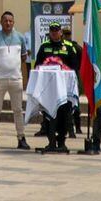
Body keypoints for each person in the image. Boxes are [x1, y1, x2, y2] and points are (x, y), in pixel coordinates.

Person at [0, 10, 30, 150]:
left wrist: (23, 77)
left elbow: (24, 57)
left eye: (10, 21)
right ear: (1, 22)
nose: (8, 23)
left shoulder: (20, 37)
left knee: (18, 110)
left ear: (13, 22)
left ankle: (21, 138)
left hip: (16, 79)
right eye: (5, 21)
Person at [33, 20, 80, 154]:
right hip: (49, 90)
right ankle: (51, 141)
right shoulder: (44, 47)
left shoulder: (69, 47)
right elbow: (38, 65)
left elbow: (75, 67)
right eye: (52, 31)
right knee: (48, 115)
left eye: (56, 31)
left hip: (64, 90)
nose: (54, 33)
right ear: (49, 33)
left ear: (60, 32)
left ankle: (62, 142)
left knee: (64, 116)